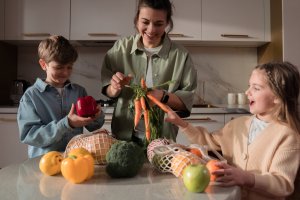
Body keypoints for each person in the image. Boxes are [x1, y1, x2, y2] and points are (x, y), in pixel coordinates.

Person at [165, 61, 300, 200]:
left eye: (256, 88)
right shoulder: (238, 125)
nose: (247, 92)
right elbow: (208, 141)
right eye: (249, 86)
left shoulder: (288, 135)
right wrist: (180, 123)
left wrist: (246, 178)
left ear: (277, 97)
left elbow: (283, 184)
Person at [100, 0, 197, 142]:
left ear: (167, 23)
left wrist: (163, 96)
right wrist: (114, 87)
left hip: (163, 138)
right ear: (136, 20)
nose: (151, 30)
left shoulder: (181, 56)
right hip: (123, 136)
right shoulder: (120, 48)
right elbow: (107, 89)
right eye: (145, 22)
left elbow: (186, 101)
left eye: (158, 24)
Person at [17, 35, 105, 158]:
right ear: (43, 64)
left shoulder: (79, 92)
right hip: (44, 163)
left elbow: (93, 126)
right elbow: (29, 136)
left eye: (69, 67)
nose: (65, 73)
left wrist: (97, 116)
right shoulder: (31, 96)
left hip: (74, 159)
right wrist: (67, 123)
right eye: (58, 67)